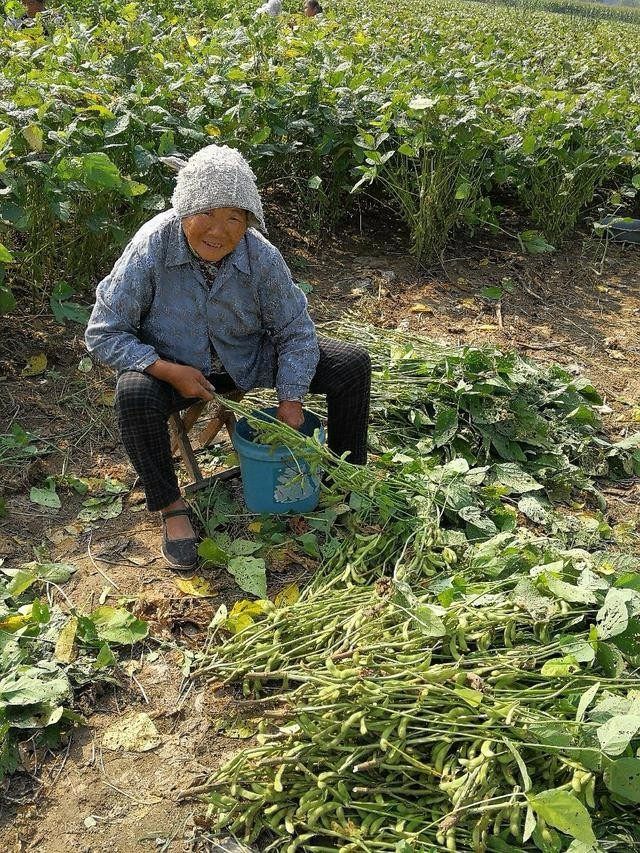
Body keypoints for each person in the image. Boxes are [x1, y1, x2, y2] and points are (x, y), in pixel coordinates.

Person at [85, 145, 371, 571]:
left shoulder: (260, 256)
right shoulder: (152, 246)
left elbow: (295, 332)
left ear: (248, 222)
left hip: (248, 358)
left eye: (234, 218)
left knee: (350, 363)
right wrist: (164, 369)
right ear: (185, 210)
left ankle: (344, 477)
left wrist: (290, 400)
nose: (219, 230)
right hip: (174, 366)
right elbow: (103, 332)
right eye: (208, 214)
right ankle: (172, 508)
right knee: (134, 394)